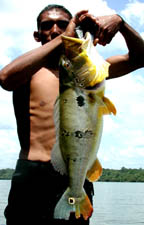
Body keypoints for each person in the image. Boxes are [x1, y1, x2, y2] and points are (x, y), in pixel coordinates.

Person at [0, 4, 144, 225]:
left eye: (63, 24)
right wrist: (64, 38)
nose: (55, 29)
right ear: (37, 35)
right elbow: (6, 78)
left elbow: (140, 58)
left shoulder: (90, 73)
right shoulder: (27, 70)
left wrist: (121, 23)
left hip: (77, 173)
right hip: (32, 176)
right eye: (47, 25)